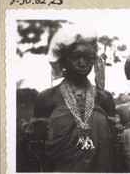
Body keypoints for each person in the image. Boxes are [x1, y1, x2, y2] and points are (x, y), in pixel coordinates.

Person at [30, 25, 115, 172]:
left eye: (88, 58)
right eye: (75, 57)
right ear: (63, 61)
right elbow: (38, 149)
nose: (82, 63)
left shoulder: (104, 98)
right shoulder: (47, 98)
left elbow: (115, 145)